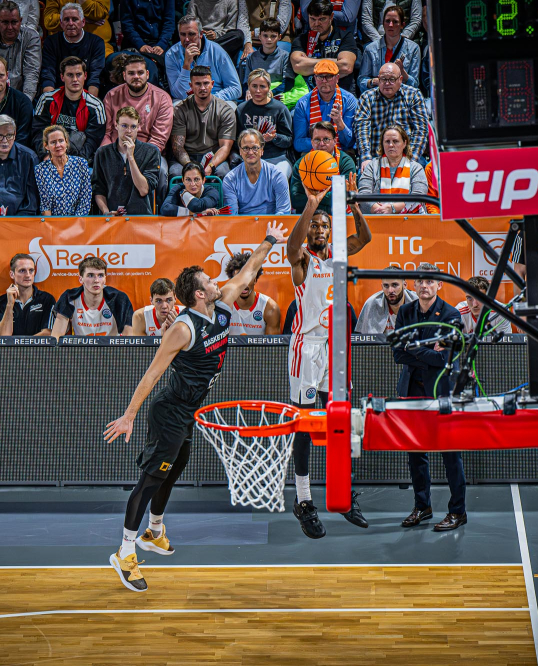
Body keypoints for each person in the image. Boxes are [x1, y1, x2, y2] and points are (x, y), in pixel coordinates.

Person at [103, 221, 286, 592]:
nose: (218, 282)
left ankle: (154, 532)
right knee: (153, 476)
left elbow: (249, 269)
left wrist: (269, 240)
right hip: (169, 411)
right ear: (200, 295)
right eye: (210, 281)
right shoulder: (183, 329)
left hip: (187, 411)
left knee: (175, 468)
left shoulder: (221, 306)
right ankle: (124, 552)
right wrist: (129, 415)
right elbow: (153, 374)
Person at [286, 183, 372, 538]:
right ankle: (304, 501)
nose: (319, 230)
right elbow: (292, 247)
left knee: (340, 420)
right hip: (307, 348)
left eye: (324, 225)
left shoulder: (338, 254)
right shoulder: (302, 260)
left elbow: (364, 237)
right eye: (315, 226)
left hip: (335, 346)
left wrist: (352, 204)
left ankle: (342, 493)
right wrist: (310, 207)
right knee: (305, 425)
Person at [393, 264, 465, 531]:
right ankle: (422, 506)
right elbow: (397, 355)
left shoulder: (451, 315)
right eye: (420, 282)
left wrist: (414, 349)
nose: (425, 286)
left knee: (450, 453)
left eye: (430, 282)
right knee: (416, 452)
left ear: (439, 285)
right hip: (411, 390)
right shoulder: (405, 311)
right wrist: (426, 353)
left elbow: (444, 358)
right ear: (414, 285)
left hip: (441, 390)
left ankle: (458, 511)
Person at [102, 54, 173, 197]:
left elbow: (158, 140)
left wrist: (135, 158)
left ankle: (157, 213)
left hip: (149, 152)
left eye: (140, 72)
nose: (136, 76)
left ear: (147, 74)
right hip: (117, 151)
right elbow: (107, 132)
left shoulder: (162, 98)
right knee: (100, 168)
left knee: (162, 171)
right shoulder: (112, 95)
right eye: (131, 73)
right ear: (124, 75)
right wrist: (108, 156)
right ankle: (106, 212)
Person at [354, 62, 428, 169]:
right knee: (364, 175)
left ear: (400, 79)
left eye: (392, 79)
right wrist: (366, 158)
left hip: (407, 155)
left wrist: (411, 161)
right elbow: (361, 130)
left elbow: (421, 130)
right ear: (378, 79)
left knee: (419, 175)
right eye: (383, 79)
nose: (387, 83)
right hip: (376, 157)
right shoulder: (366, 98)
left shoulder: (413, 95)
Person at [32, 56, 107, 161]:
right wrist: (45, 155)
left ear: (85, 76)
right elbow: (38, 132)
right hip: (50, 155)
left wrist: (74, 163)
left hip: (80, 159)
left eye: (78, 74)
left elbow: (93, 141)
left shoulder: (96, 106)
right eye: (70, 75)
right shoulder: (47, 100)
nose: (75, 79)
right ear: (62, 77)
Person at [169, 66, 237, 179]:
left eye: (206, 83)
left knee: (223, 173)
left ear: (212, 84)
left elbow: (225, 147)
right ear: (190, 85)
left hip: (213, 156)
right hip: (187, 156)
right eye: (198, 84)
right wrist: (191, 167)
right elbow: (178, 147)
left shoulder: (225, 110)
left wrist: (210, 166)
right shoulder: (181, 109)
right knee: (175, 173)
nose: (202, 88)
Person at [93, 105, 160, 214]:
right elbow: (99, 189)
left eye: (133, 127)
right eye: (124, 126)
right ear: (116, 125)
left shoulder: (151, 152)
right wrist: (106, 212)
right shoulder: (102, 153)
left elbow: (143, 190)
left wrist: (131, 157)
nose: (128, 131)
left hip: (140, 217)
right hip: (111, 217)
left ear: (138, 127)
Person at [49, 257, 134, 337]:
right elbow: (57, 336)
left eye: (100, 275)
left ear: (105, 279)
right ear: (80, 279)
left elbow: (129, 337)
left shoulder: (119, 299)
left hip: (111, 351)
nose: (96, 280)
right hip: (81, 351)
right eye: (90, 275)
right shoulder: (69, 298)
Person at [165, 16, 242, 102]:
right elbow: (177, 94)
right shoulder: (171, 54)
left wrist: (211, 99)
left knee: (230, 110)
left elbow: (236, 88)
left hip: (215, 98)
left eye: (191, 34)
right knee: (175, 107)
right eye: (183, 34)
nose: (186, 39)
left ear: (201, 34)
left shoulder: (217, 51)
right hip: (187, 101)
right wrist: (186, 66)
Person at [0, 1, 42, 102]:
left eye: (14, 22)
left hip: (23, 98)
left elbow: (31, 74)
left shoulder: (31, 38)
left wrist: (24, 103)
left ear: (20, 21)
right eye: (5, 22)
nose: (10, 27)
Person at [236, 69, 294, 180]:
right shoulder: (241, 109)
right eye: (254, 86)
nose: (258, 90)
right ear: (248, 87)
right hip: (249, 158)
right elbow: (236, 140)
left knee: (277, 178)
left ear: (269, 87)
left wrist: (274, 137)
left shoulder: (280, 109)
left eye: (262, 86)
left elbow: (288, 140)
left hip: (276, 157)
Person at [289, 0, 358, 93]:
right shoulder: (301, 39)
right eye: (313, 19)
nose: (316, 24)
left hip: (341, 92)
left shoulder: (345, 36)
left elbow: (346, 67)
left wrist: (308, 64)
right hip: (310, 93)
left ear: (331, 17)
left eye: (322, 19)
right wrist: (334, 63)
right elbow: (298, 66)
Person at [41, 4, 108, 97]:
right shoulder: (51, 42)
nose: (71, 23)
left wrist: (88, 104)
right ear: (61, 23)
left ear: (83, 22)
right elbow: (48, 74)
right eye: (66, 19)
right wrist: (51, 101)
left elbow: (95, 77)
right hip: (57, 94)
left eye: (75, 19)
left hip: (86, 95)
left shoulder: (96, 42)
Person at [292, 60, 357, 155]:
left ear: (337, 78)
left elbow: (349, 143)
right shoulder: (303, 103)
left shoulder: (349, 100)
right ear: (315, 78)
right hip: (312, 153)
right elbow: (298, 144)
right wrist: (323, 143)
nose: (324, 81)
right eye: (320, 76)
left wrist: (339, 123)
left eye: (329, 76)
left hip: (341, 152)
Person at [290, 121, 357, 211]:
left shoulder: (345, 162)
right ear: (312, 142)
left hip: (338, 215)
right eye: (317, 139)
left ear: (334, 141)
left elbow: (342, 196)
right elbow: (296, 200)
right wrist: (328, 200)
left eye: (326, 139)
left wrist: (314, 199)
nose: (321, 144)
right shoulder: (301, 164)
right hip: (309, 217)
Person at [358, 124, 426, 213]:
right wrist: (380, 211)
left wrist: (392, 208)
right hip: (377, 219)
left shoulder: (416, 168)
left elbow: (419, 196)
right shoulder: (372, 166)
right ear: (382, 144)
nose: (391, 145)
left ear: (404, 143)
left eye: (395, 141)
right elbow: (364, 194)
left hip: (410, 221)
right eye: (387, 141)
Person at [223, 129, 290, 213]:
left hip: (272, 225)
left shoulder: (277, 175)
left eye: (255, 148)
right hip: (242, 224)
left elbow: (283, 213)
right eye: (246, 148)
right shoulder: (230, 179)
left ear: (262, 150)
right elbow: (232, 215)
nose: (250, 152)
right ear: (240, 151)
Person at [358, 5, 421, 93]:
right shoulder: (370, 49)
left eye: (395, 22)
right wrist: (373, 82)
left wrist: (402, 72)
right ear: (383, 24)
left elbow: (414, 85)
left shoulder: (413, 48)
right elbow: (361, 81)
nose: (390, 25)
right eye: (387, 21)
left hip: (402, 97)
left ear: (402, 25)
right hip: (377, 96)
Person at [0, 253, 57, 336]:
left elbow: (48, 333)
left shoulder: (46, 299)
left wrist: (22, 347)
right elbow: (1, 338)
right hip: (10, 349)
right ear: (12, 274)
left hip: (37, 349)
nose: (27, 275)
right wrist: (9, 305)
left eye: (31, 270)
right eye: (22, 271)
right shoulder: (0, 303)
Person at [112, 0, 176, 82]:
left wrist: (161, 44)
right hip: (134, 42)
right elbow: (127, 25)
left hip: (159, 42)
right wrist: (140, 45)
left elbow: (169, 22)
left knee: (166, 64)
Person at [36, 125, 93, 215]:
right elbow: (45, 205)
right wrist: (51, 226)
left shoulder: (81, 164)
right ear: (46, 146)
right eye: (53, 142)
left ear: (66, 142)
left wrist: (74, 225)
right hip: (53, 224)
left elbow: (85, 200)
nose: (58, 145)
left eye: (61, 141)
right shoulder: (40, 170)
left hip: (78, 222)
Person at [223, 251, 281, 335]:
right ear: (232, 281)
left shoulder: (270, 308)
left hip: (260, 349)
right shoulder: (224, 306)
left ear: (255, 279)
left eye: (247, 278)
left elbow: (271, 347)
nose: (243, 284)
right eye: (238, 279)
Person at [355, 268, 417, 336]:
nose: (390, 290)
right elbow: (361, 339)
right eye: (386, 286)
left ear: (404, 285)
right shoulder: (371, 304)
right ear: (382, 286)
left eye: (394, 285)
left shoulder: (417, 302)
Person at [44, 0, 114, 59]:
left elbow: (99, 13)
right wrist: (78, 18)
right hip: (63, 47)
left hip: (96, 46)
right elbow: (49, 22)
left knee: (116, 63)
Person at [184, 0, 249, 62]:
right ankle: (207, 51)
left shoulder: (231, 1)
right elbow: (190, 25)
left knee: (238, 35)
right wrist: (202, 33)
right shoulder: (194, 2)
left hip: (222, 39)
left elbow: (230, 27)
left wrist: (216, 34)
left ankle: (206, 52)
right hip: (201, 39)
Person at [238, 18, 289, 95]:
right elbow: (247, 82)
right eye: (265, 35)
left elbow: (288, 83)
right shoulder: (251, 57)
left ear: (279, 37)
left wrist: (271, 92)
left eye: (273, 36)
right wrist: (248, 91)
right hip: (256, 94)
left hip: (276, 95)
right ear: (259, 37)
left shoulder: (285, 57)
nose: (269, 39)